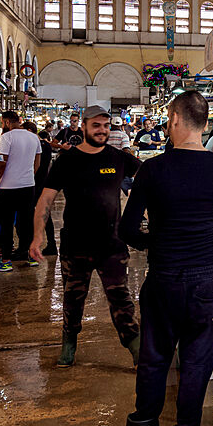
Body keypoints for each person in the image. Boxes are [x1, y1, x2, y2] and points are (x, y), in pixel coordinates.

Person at [116, 91, 213, 426]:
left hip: (164, 278)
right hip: (208, 281)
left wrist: (155, 243)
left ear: (174, 119)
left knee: (155, 356)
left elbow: (127, 229)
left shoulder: (153, 169)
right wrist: (210, 249)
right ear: (206, 124)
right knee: (197, 358)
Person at [30, 105, 141, 368]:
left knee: (121, 298)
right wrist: (37, 237)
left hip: (112, 244)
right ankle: (69, 343)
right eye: (96, 126)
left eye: (106, 126)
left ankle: (135, 346)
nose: (102, 131)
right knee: (73, 298)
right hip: (75, 244)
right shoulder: (67, 160)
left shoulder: (119, 158)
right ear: (83, 127)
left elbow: (150, 178)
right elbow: (45, 200)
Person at [0, 111, 41, 271]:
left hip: (7, 188)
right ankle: (31, 257)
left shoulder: (6, 138)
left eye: (2, 123)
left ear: (7, 122)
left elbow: (1, 163)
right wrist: (28, 176)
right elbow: (37, 162)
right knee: (27, 222)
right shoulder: (33, 137)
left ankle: (6, 261)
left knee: (6, 224)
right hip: (28, 187)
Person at [24, 123, 57, 256]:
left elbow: (35, 165)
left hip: (34, 184)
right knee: (44, 215)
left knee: (30, 215)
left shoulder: (36, 145)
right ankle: (51, 244)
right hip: (42, 183)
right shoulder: (46, 145)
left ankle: (28, 246)